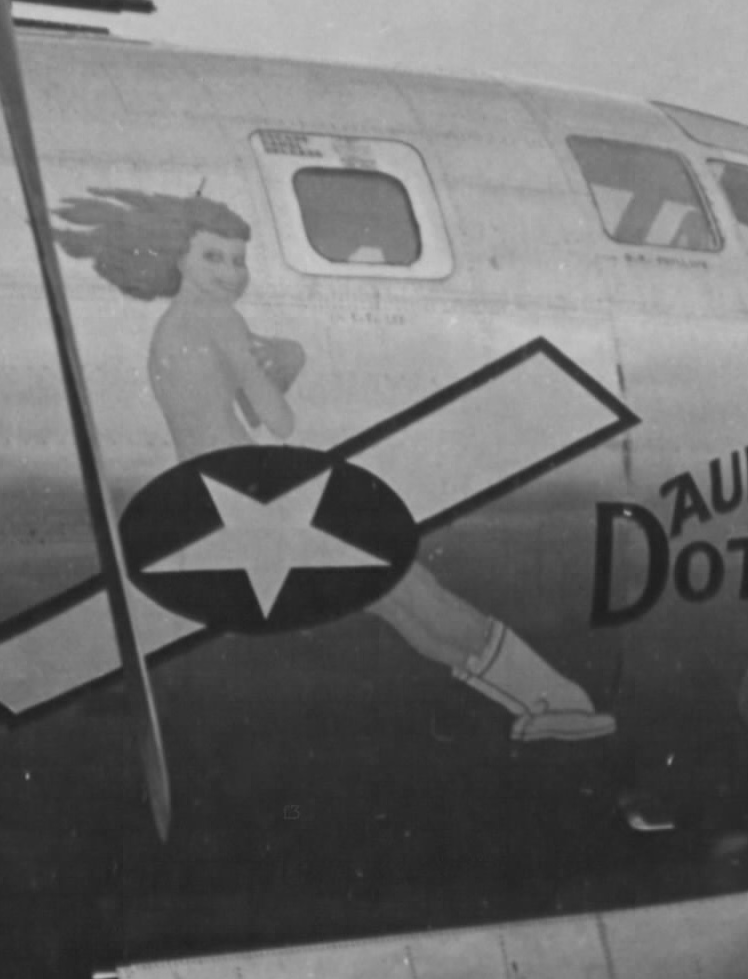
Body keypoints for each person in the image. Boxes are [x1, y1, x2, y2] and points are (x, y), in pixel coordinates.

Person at [58, 188, 612, 740]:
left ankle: (540, 704)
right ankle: (554, 698)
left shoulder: (172, 328)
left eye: (237, 260)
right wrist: (289, 357)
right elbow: (276, 419)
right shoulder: (219, 320)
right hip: (254, 492)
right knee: (411, 592)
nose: (229, 273)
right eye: (213, 257)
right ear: (181, 259)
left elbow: (226, 406)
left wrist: (269, 360)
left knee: (399, 600)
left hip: (216, 501)